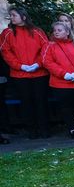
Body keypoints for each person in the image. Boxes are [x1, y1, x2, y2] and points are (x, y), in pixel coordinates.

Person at [0, 7, 50, 138]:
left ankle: (44, 129)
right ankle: (31, 130)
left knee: (41, 101)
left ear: (23, 17)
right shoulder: (7, 33)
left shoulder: (37, 31)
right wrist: (20, 66)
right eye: (10, 15)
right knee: (26, 102)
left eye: (14, 15)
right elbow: (6, 52)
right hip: (19, 74)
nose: (11, 17)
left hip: (39, 73)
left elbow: (45, 48)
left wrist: (38, 64)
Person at [42, 21, 74, 138]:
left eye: (59, 30)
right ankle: (72, 128)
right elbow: (47, 62)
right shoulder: (49, 46)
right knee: (66, 107)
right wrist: (63, 74)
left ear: (67, 32)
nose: (56, 32)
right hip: (60, 83)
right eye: (55, 31)